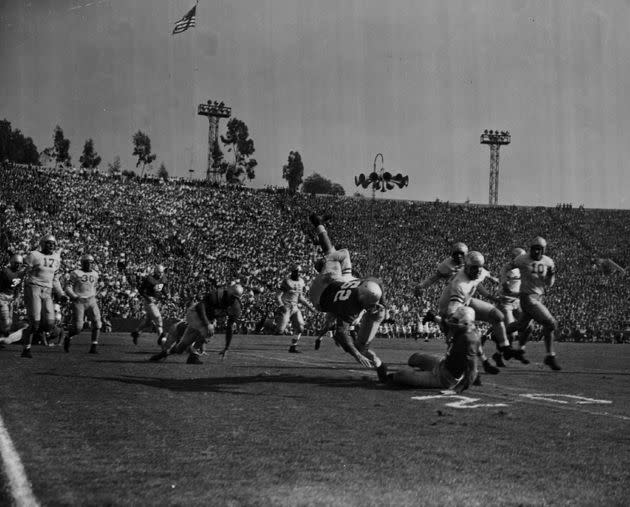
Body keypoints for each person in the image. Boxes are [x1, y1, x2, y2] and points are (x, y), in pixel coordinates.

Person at [308, 214, 388, 381]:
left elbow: (342, 253)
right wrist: (357, 355)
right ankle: (320, 226)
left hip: (327, 289)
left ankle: (319, 225)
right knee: (357, 344)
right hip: (322, 295)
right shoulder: (353, 297)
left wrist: (321, 335)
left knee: (337, 253)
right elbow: (340, 332)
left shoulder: (353, 280)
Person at [436, 251, 515, 374]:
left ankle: (505, 347)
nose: (478, 271)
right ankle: (481, 363)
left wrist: (493, 286)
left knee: (497, 315)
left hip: (467, 301)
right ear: (466, 267)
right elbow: (452, 309)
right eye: (474, 268)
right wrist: (448, 324)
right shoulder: (460, 284)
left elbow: (479, 282)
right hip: (451, 309)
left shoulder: (479, 271)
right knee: (468, 338)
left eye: (480, 267)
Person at [387, 306, 480, 392]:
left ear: (466, 323)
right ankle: (425, 373)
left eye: (456, 321)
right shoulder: (460, 329)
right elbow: (446, 323)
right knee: (414, 358)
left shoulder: (470, 339)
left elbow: (473, 369)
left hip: (445, 379)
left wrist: (457, 389)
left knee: (400, 376)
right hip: (442, 364)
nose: (452, 323)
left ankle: (423, 376)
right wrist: (433, 317)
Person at [149, 283, 244, 365]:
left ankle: (165, 353)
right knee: (209, 330)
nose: (233, 300)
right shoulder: (217, 294)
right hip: (195, 313)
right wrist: (207, 324)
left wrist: (226, 347)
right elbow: (200, 306)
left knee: (181, 347)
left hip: (205, 318)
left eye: (235, 298)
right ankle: (193, 356)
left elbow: (230, 326)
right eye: (232, 297)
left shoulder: (236, 308)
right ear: (228, 293)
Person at [506, 237, 561, 370]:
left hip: (539, 297)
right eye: (534, 248)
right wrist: (504, 282)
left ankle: (499, 335)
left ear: (543, 250)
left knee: (522, 325)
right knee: (550, 323)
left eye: (539, 249)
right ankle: (550, 356)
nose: (536, 251)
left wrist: (551, 276)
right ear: (530, 248)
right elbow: (506, 268)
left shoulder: (548, 261)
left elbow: (549, 284)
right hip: (527, 297)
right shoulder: (522, 259)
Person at [20, 234, 67, 358]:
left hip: (48, 290)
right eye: (48, 243)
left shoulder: (57, 258)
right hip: (34, 287)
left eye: (53, 244)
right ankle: (26, 348)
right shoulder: (34, 255)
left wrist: (61, 293)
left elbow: (55, 279)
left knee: (50, 323)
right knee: (35, 322)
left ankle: (30, 332)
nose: (51, 245)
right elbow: (23, 272)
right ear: (42, 244)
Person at [491, 247, 527, 367]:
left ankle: (520, 350)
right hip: (505, 301)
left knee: (528, 325)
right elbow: (507, 289)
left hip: (516, 302)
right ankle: (498, 352)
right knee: (511, 333)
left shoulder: (523, 269)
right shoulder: (507, 269)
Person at [63, 254, 102, 354]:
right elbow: (67, 287)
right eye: (86, 262)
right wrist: (74, 296)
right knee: (78, 328)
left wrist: (96, 294)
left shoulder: (95, 274)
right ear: (82, 263)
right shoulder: (76, 273)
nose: (88, 264)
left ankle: (94, 346)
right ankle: (68, 337)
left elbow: (95, 287)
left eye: (90, 262)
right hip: (79, 301)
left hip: (91, 300)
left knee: (97, 323)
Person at [273, 265, 316, 353]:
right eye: (297, 271)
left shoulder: (301, 281)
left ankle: (293, 346)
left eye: (300, 272)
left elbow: (300, 297)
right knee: (280, 330)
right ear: (293, 272)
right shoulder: (287, 281)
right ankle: (271, 323)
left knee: (300, 328)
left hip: (295, 307)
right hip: (286, 307)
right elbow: (278, 296)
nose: (299, 273)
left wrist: (310, 307)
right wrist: (281, 306)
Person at [131, 264, 168, 346]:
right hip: (149, 302)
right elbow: (141, 290)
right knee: (158, 318)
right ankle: (162, 338)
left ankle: (136, 332)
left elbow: (163, 287)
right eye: (160, 272)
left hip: (157, 302)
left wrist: (166, 294)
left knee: (148, 322)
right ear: (156, 272)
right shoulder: (149, 279)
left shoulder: (164, 278)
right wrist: (148, 298)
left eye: (162, 272)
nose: (161, 274)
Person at [0, 254, 28, 344]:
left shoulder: (20, 273)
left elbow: (17, 287)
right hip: (2, 297)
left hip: (11, 299)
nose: (18, 265)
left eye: (20, 264)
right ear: (12, 263)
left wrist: (16, 298)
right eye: (16, 263)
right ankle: (4, 335)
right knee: (6, 321)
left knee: (9, 322)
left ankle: (3, 337)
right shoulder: (5, 272)